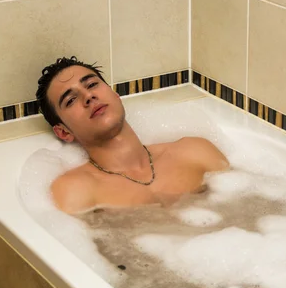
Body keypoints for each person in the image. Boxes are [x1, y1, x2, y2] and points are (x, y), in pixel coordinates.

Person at [35, 56, 229, 214]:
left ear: (114, 94)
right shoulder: (76, 189)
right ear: (63, 132)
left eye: (92, 84)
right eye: (71, 100)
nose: (88, 96)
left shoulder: (194, 151)